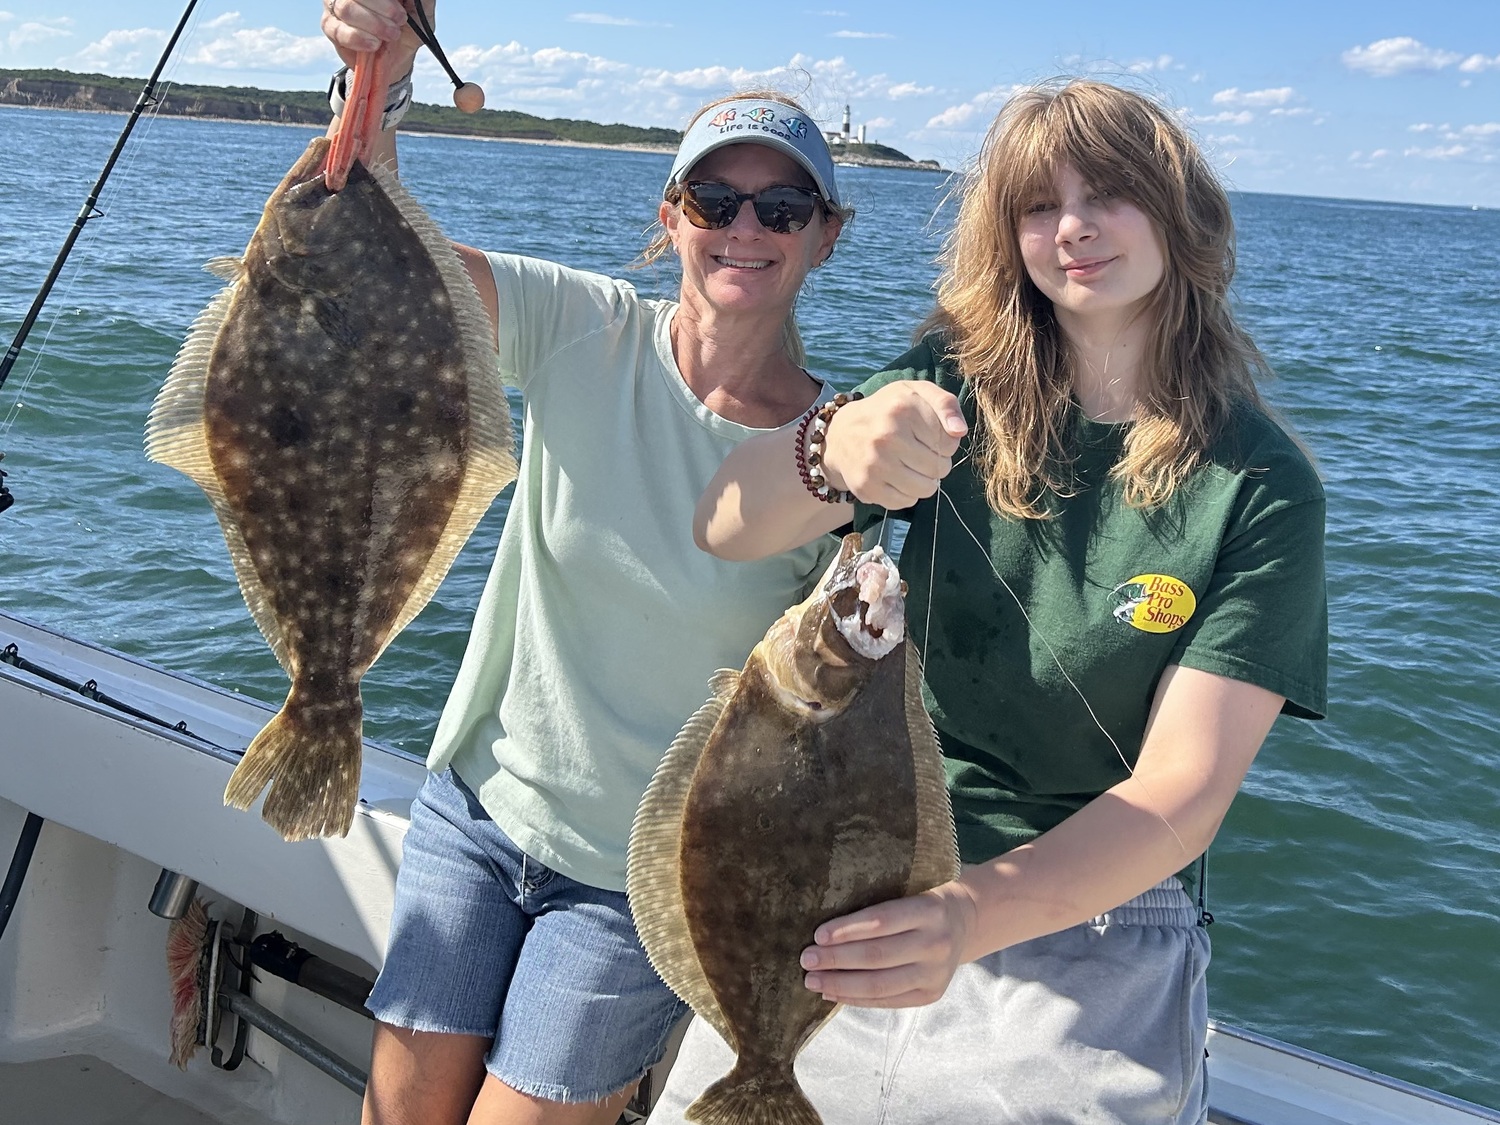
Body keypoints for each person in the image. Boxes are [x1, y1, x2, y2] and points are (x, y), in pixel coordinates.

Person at [650, 79, 1327, 1124]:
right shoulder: (950, 382)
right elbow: (726, 522)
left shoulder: (1260, 485)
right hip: (850, 864)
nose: (1074, 227)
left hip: (1094, 916)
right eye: (1037, 205)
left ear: (1182, 212)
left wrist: (970, 917)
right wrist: (829, 449)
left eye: (1111, 192)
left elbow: (1182, 795)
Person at [321, 4, 854, 1124]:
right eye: (714, 200)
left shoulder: (838, 457)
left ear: (825, 234)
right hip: (479, 812)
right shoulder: (582, 328)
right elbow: (388, 264)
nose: (744, 226)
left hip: (641, 889)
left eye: (782, 204)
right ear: (672, 219)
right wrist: (382, 73)